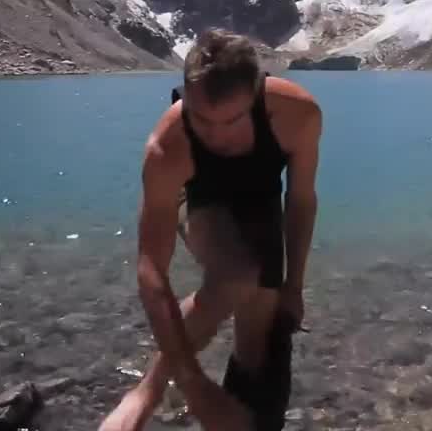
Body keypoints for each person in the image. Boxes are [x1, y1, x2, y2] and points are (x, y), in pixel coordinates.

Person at [99, 28, 322, 431]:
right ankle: (149, 388)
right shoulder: (168, 148)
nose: (216, 135)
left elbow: (301, 200)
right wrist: (193, 383)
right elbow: (151, 269)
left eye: (232, 120)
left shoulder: (298, 114)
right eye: (200, 118)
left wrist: (295, 285)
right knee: (236, 276)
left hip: (260, 194)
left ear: (258, 93)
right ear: (184, 92)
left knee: (266, 330)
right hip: (196, 193)